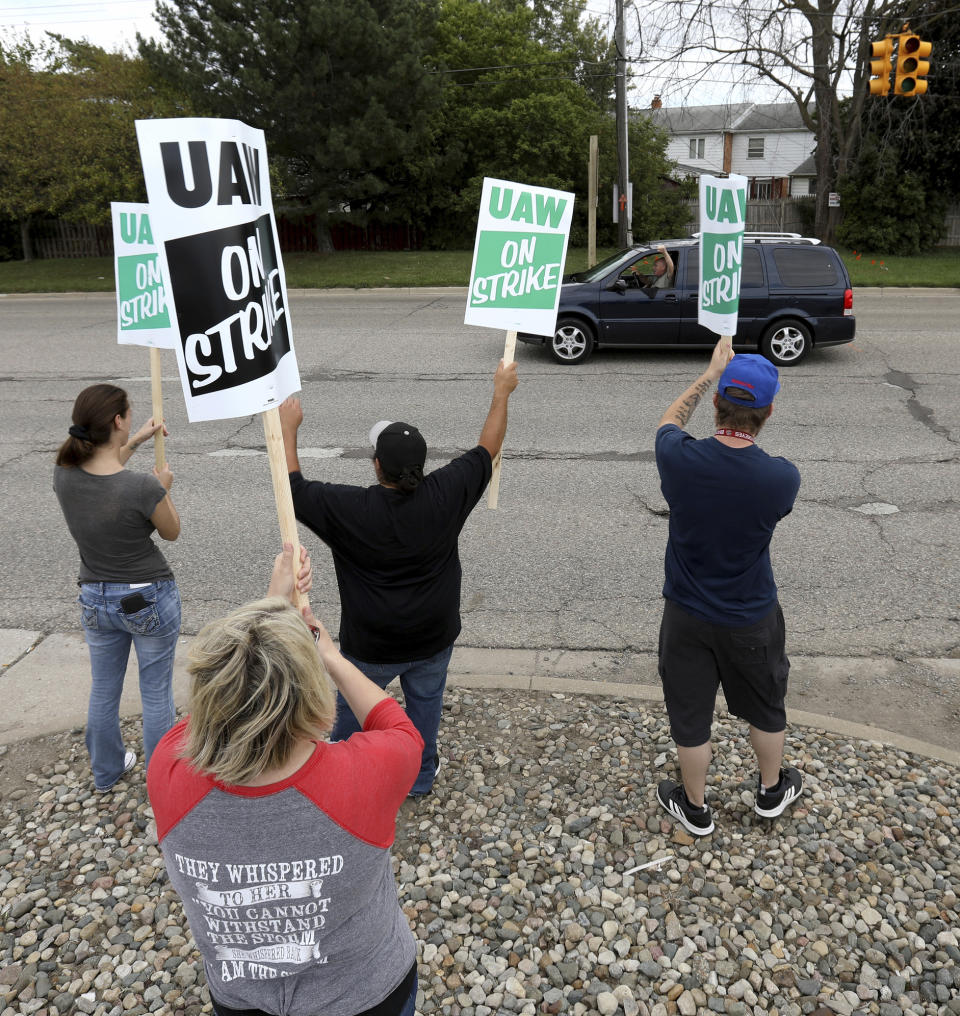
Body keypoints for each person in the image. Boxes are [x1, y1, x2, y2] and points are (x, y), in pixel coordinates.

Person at [147, 544, 422, 1016]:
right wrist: (330, 655)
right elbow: (397, 727)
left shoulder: (169, 771)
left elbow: (220, 702)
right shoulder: (365, 776)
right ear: (314, 701)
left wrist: (270, 609)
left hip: (241, 998)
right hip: (367, 994)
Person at [278, 360, 519, 796]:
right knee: (424, 710)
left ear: (375, 466)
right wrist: (501, 392)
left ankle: (347, 775)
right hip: (433, 637)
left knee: (353, 709)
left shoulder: (349, 509)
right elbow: (488, 447)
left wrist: (287, 427)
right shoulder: (448, 493)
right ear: (423, 465)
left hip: (371, 644)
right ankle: (420, 777)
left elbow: (291, 489)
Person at [653, 340, 803, 836]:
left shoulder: (679, 459)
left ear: (717, 401)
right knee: (765, 705)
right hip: (750, 615)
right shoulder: (780, 478)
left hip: (687, 616)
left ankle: (695, 808)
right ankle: (769, 790)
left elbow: (667, 423)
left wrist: (708, 372)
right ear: (769, 411)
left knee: (691, 715)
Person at [54, 384, 181, 791]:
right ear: (117, 421)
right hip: (146, 596)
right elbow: (172, 531)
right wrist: (162, 488)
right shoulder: (142, 487)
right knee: (156, 693)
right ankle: (162, 784)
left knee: (104, 689)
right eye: (129, 414)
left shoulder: (65, 474)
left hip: (95, 597)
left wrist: (139, 439)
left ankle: (106, 772)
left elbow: (106, 469)